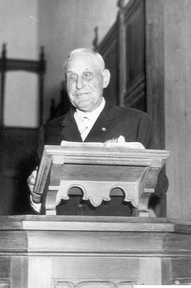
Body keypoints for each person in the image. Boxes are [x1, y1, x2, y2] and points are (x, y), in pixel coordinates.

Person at [27, 48, 167, 213]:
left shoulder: (137, 122)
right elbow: (45, 201)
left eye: (87, 75)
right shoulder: (49, 130)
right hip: (64, 234)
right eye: (72, 77)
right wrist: (35, 197)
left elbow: (160, 186)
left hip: (116, 234)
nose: (79, 85)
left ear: (105, 78)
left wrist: (123, 162)